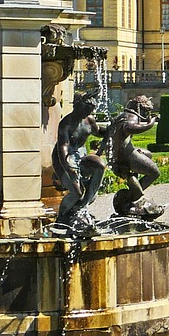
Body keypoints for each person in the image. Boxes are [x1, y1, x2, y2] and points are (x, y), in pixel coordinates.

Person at [51, 91, 107, 231]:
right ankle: (62, 217)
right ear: (77, 106)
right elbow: (63, 146)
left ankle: (82, 208)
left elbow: (99, 131)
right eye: (86, 110)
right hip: (63, 158)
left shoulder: (89, 120)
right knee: (77, 192)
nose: (87, 113)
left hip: (81, 156)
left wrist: (114, 128)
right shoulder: (66, 123)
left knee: (100, 166)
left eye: (90, 110)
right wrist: (68, 166)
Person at [106, 94, 163, 221]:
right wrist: (150, 123)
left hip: (117, 154)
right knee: (154, 172)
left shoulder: (123, 115)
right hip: (125, 156)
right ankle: (133, 196)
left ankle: (133, 188)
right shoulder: (131, 116)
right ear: (138, 108)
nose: (146, 114)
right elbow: (130, 128)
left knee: (147, 154)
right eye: (146, 110)